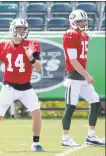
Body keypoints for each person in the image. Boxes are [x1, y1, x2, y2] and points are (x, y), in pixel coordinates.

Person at [0, 18, 44, 152]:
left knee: (37, 112)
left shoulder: (32, 44)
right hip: (8, 87)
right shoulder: (3, 44)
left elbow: (39, 67)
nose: (21, 32)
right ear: (12, 29)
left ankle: (35, 144)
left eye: (23, 29)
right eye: (19, 29)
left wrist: (31, 58)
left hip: (26, 87)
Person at [61, 9, 105, 147]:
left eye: (84, 21)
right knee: (70, 107)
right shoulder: (70, 34)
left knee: (95, 102)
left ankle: (91, 136)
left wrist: (84, 35)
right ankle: (65, 138)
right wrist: (87, 75)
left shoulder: (82, 34)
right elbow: (73, 61)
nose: (83, 24)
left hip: (81, 76)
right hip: (74, 76)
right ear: (73, 22)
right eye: (80, 21)